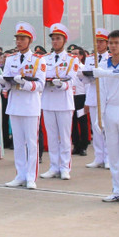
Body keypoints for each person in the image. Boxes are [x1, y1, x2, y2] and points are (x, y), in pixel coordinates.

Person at [86, 30, 119, 205]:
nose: (113, 46)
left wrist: (103, 73)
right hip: (110, 109)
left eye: (117, 43)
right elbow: (101, 91)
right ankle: (117, 189)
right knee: (114, 152)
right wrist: (99, 116)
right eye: (111, 43)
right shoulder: (103, 64)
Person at [0, 23, 46, 189]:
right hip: (15, 104)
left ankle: (31, 177)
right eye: (17, 39)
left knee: (31, 143)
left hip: (30, 105)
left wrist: (24, 83)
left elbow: (40, 85)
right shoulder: (10, 59)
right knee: (18, 143)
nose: (19, 42)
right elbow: (7, 82)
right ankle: (20, 174)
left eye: (22, 39)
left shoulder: (38, 60)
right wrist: (3, 82)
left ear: (30, 41)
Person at [40, 23, 78, 180]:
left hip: (63, 102)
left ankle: (65, 167)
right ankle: (54, 166)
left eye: (58, 39)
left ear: (64, 40)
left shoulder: (71, 59)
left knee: (64, 136)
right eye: (53, 39)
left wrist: (61, 84)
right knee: (52, 136)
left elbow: (72, 80)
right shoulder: (44, 59)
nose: (55, 42)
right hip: (48, 100)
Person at [78, 28, 109, 168]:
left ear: (107, 43)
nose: (99, 44)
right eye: (97, 41)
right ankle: (99, 157)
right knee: (96, 128)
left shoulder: (110, 58)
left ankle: (108, 158)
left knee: (106, 128)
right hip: (93, 94)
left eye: (101, 42)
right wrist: (83, 76)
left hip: (106, 95)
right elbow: (85, 80)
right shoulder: (90, 58)